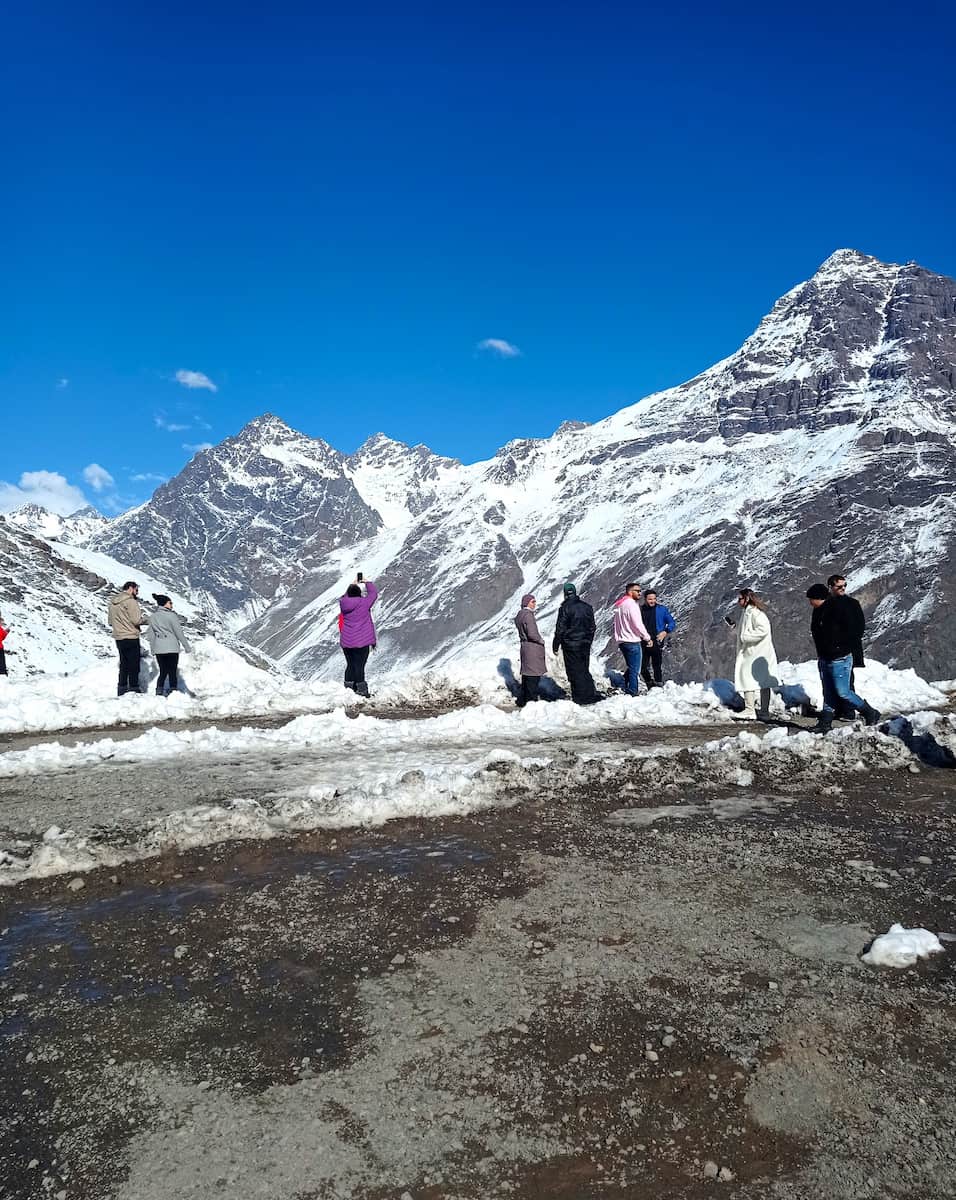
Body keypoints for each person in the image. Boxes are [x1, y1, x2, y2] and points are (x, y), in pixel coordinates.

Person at [806, 583, 880, 732]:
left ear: (819, 598)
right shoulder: (817, 611)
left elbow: (850, 629)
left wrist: (840, 646)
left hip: (840, 657)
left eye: (811, 599)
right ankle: (825, 722)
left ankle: (869, 711)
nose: (810, 602)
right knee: (828, 690)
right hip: (825, 657)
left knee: (843, 691)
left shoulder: (836, 609)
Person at [733, 588, 779, 719]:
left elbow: (763, 630)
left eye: (740, 599)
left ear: (746, 599)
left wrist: (745, 637)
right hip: (756, 652)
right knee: (763, 681)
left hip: (756, 652)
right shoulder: (748, 612)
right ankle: (763, 711)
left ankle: (750, 709)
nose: (738, 602)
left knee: (748, 676)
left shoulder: (755, 614)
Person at [552, 582, 600, 704]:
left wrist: (555, 645)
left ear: (565, 594)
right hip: (585, 644)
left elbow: (560, 629)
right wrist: (588, 640)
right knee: (584, 669)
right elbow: (592, 627)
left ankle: (580, 698)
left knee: (574, 671)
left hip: (570, 645)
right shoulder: (587, 607)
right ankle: (590, 694)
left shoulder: (565, 608)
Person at [828, 573, 865, 718]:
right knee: (832, 679)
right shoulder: (826, 604)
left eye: (844, 586)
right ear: (831, 587)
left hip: (847, 648)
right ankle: (838, 708)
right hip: (830, 649)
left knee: (847, 680)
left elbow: (860, 626)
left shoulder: (852, 604)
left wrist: (846, 642)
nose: (843, 589)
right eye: (839, 586)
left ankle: (849, 710)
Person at [108, 581, 149, 696]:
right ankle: (133, 689)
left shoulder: (113, 602)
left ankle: (121, 689)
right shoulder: (131, 601)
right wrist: (148, 620)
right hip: (131, 636)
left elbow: (110, 621)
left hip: (118, 637)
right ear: (131, 588)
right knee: (134, 664)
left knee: (124, 664)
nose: (137, 592)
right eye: (136, 589)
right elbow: (136, 620)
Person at [146, 594, 192, 697]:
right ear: (165, 603)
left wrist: (153, 649)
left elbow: (151, 634)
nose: (171, 605)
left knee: (163, 671)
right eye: (170, 603)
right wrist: (186, 647)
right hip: (172, 647)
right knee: (172, 671)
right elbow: (178, 632)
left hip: (159, 648)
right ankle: (173, 691)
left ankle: (159, 691)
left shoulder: (153, 617)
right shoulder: (172, 616)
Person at [612, 583, 653, 697]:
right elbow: (637, 624)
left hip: (622, 640)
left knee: (632, 666)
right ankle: (632, 692)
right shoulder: (632, 605)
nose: (640, 593)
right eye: (637, 591)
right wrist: (647, 638)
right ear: (630, 592)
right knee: (635, 669)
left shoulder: (620, 605)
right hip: (632, 640)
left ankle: (622, 683)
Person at [340, 578, 378, 697]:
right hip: (362, 641)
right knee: (360, 665)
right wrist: (367, 582)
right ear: (359, 593)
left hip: (347, 641)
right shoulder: (364, 603)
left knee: (350, 665)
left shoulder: (343, 603)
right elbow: (373, 594)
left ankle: (348, 690)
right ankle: (361, 690)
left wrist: (352, 584)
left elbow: (346, 597)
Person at [640, 588, 677, 688]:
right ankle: (649, 683)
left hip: (657, 640)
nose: (652, 601)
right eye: (650, 599)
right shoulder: (640, 610)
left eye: (654, 599)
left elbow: (672, 622)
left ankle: (658, 685)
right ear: (645, 599)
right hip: (643, 641)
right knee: (642, 666)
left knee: (657, 665)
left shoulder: (662, 609)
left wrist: (665, 631)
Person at [514, 593, 546, 707]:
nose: (535, 604)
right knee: (533, 677)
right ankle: (531, 704)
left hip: (525, 647)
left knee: (527, 676)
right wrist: (541, 640)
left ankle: (524, 700)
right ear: (527, 603)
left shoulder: (520, 615)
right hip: (532, 649)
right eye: (533, 601)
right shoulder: (528, 615)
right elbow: (532, 633)